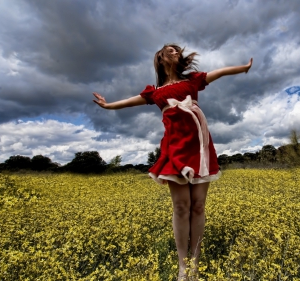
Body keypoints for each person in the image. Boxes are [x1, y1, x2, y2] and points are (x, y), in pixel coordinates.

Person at [93, 44, 252, 280]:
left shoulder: (193, 81)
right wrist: (108, 105)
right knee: (181, 207)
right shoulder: (155, 92)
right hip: (175, 148)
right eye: (170, 50)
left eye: (177, 50)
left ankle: (195, 263)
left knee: (198, 206)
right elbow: (129, 101)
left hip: (199, 146)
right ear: (160, 58)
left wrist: (243, 68)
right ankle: (182, 266)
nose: (176, 52)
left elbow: (218, 72)